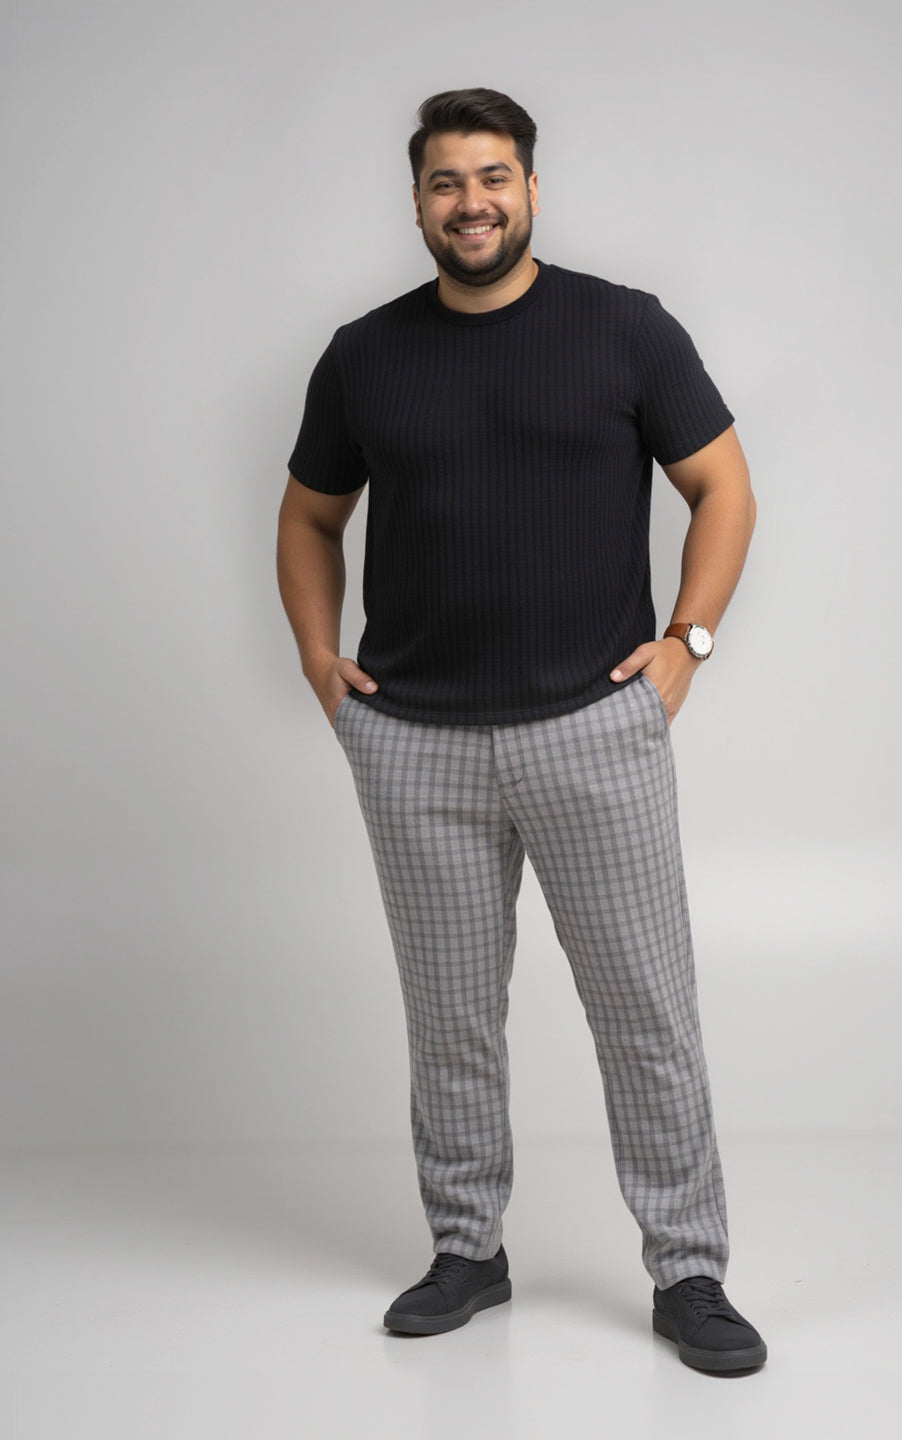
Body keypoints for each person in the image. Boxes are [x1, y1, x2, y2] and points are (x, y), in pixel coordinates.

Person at [276, 87, 766, 1374]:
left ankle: (690, 1270)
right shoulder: (365, 355)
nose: (472, 202)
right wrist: (323, 667)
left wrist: (686, 643)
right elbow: (310, 515)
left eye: (493, 177)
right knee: (449, 1019)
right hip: (415, 744)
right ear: (417, 203)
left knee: (646, 1011)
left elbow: (723, 485)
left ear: (532, 190)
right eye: (447, 182)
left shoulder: (624, 328)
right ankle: (466, 1249)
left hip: (593, 729)